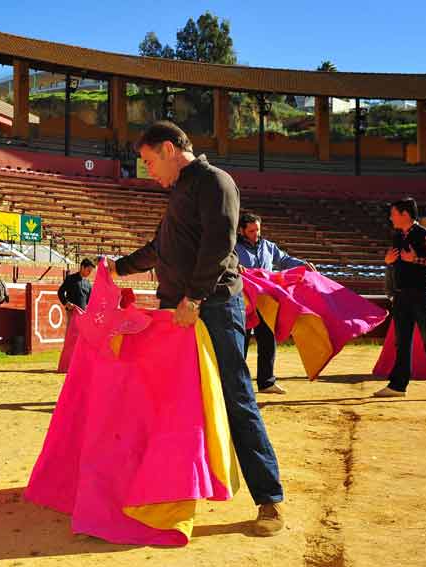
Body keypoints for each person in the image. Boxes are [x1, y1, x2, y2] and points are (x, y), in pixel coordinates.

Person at [107, 121, 285, 537]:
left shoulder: (214, 182)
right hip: (180, 312)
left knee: (234, 398)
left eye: (150, 161)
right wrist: (117, 267)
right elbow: (158, 250)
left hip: (212, 310)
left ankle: (269, 500)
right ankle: (167, 490)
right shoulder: (180, 193)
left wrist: (195, 298)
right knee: (174, 403)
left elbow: (220, 244)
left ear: (169, 149)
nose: (149, 171)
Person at [374, 198, 426, 401]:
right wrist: (388, 262)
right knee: (402, 342)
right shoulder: (398, 235)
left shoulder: (425, 235)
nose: (390, 217)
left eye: (393, 213)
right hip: (401, 295)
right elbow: (396, 264)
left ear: (405, 215)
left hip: (420, 293)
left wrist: (417, 259)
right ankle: (398, 385)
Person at [235, 212, 316, 395]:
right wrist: (234, 266)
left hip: (266, 300)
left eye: (257, 229)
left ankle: (266, 382)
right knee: (241, 341)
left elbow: (285, 260)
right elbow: (224, 263)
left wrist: (302, 264)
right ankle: (237, 383)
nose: (256, 234)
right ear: (241, 231)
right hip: (243, 299)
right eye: (251, 231)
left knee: (267, 340)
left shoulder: (268, 246)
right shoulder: (233, 248)